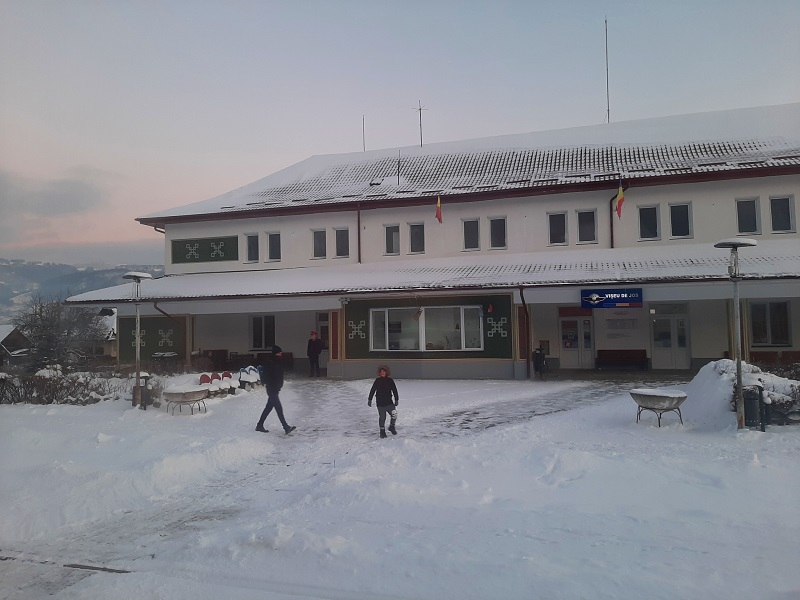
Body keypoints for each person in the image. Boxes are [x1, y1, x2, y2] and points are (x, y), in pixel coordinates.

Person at [255, 345, 296, 434]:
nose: (280, 355)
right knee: (278, 408)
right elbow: (271, 377)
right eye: (279, 353)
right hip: (272, 389)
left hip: (274, 389)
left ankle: (259, 425)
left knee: (268, 408)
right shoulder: (271, 363)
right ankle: (285, 427)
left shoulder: (276, 363)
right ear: (275, 354)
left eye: (281, 353)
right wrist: (274, 386)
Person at [367, 364, 399, 438]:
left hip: (389, 402)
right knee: (382, 417)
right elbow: (373, 390)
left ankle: (392, 426)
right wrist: (370, 399)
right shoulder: (377, 381)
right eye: (380, 371)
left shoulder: (390, 380)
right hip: (380, 403)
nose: (382, 372)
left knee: (394, 414)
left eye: (383, 371)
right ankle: (382, 431)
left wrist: (396, 399)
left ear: (386, 372)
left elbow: (394, 390)